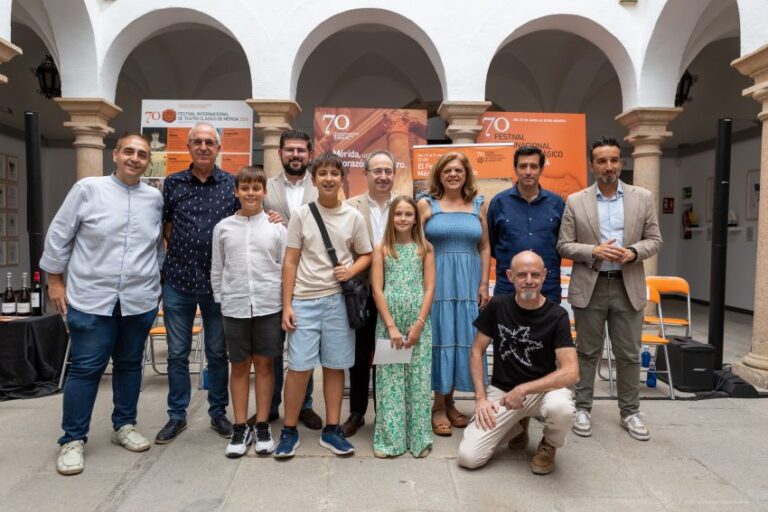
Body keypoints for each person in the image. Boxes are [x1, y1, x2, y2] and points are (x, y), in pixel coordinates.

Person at [41, 133, 163, 475]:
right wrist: (54, 281)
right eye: (129, 151)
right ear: (115, 155)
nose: (135, 158)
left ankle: (124, 425)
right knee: (85, 368)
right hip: (92, 298)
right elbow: (59, 235)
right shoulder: (88, 189)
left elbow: (157, 247)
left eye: (142, 154)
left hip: (138, 300)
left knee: (129, 365)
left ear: (148, 161)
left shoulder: (154, 198)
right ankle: (72, 440)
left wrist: (157, 284)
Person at [557, 137, 662, 441]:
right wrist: (594, 251)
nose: (609, 167)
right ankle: (582, 407)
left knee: (628, 353)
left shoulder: (642, 197)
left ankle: (630, 412)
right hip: (591, 285)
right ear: (592, 165)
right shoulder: (576, 201)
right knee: (587, 352)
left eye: (614, 160)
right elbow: (563, 244)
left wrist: (632, 251)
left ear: (621, 162)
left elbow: (654, 239)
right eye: (601, 161)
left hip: (627, 285)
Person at [275, 152, 373, 458]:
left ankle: (331, 429)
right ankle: (289, 429)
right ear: (314, 179)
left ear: (342, 178)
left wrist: (351, 270)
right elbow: (290, 261)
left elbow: (367, 254)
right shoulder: (302, 215)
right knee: (300, 368)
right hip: (304, 300)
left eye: (334, 173)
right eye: (323, 174)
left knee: (334, 366)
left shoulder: (353, 217)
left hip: (337, 303)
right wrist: (287, 304)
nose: (329, 178)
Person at [457, 251, 578, 474]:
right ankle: (516, 424)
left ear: (544, 276)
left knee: (561, 408)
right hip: (503, 392)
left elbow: (571, 372)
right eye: (522, 275)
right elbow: (476, 351)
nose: (529, 280)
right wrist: (481, 398)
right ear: (510, 276)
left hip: (542, 390)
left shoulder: (557, 315)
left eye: (535, 274)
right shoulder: (497, 306)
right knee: (468, 458)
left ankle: (549, 444)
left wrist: (523, 389)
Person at [156, 122, 238, 444]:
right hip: (178, 282)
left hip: (218, 284)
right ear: (188, 147)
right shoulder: (173, 183)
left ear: (219, 149)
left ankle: (218, 412)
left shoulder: (231, 184)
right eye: (198, 142)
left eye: (210, 142)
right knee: (177, 354)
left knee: (219, 353)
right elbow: (165, 227)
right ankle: (177, 416)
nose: (204, 147)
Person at [486, 145, 565, 447]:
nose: (528, 172)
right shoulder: (500, 203)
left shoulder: (557, 204)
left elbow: (563, 242)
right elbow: (492, 245)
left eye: (534, 166)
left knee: (544, 355)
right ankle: (517, 423)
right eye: (523, 167)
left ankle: (543, 417)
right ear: (515, 169)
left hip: (547, 290)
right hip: (509, 291)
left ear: (542, 169)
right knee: (509, 354)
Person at [211, 166, 286, 457]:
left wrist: (283, 303)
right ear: (236, 192)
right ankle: (241, 426)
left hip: (269, 304)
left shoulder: (276, 227)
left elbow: (284, 267)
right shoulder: (224, 227)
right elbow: (217, 267)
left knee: (265, 366)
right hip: (235, 305)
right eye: (245, 188)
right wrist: (222, 298)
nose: (251, 193)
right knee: (240, 366)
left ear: (264, 192)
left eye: (256, 188)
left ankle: (263, 423)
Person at [417, 152, 490, 436]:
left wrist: (484, 284)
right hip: (437, 282)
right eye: (447, 170)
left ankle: (451, 402)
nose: (453, 174)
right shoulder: (426, 204)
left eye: (458, 170)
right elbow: (414, 244)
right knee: (440, 338)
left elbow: (484, 247)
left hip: (469, 283)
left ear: (466, 174)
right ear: (439, 174)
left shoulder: (478, 205)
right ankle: (437, 405)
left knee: (463, 340)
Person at [256, 129, 322, 430]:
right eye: (290, 150)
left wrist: (294, 225)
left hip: (309, 279)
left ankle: (304, 405)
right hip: (271, 278)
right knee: (272, 346)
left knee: (302, 347)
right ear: (280, 153)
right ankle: (270, 405)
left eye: (301, 150)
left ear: (310, 154)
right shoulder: (264, 188)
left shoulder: (323, 187)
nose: (296, 155)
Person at [370, 196, 435, 458]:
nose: (403, 219)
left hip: (418, 322)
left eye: (409, 214)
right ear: (391, 217)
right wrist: (391, 326)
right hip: (390, 323)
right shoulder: (382, 249)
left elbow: (430, 287)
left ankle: (419, 439)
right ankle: (390, 440)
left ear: (416, 219)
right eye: (399, 214)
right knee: (391, 382)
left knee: (418, 381)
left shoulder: (425, 248)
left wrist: (419, 323)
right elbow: (377, 289)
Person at [342, 150, 396, 438]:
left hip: (394, 291)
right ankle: (357, 412)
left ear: (394, 175)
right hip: (361, 292)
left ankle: (387, 412)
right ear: (366, 174)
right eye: (377, 171)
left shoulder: (404, 204)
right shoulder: (350, 206)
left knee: (389, 354)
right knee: (360, 354)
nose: (383, 176)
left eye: (388, 171)